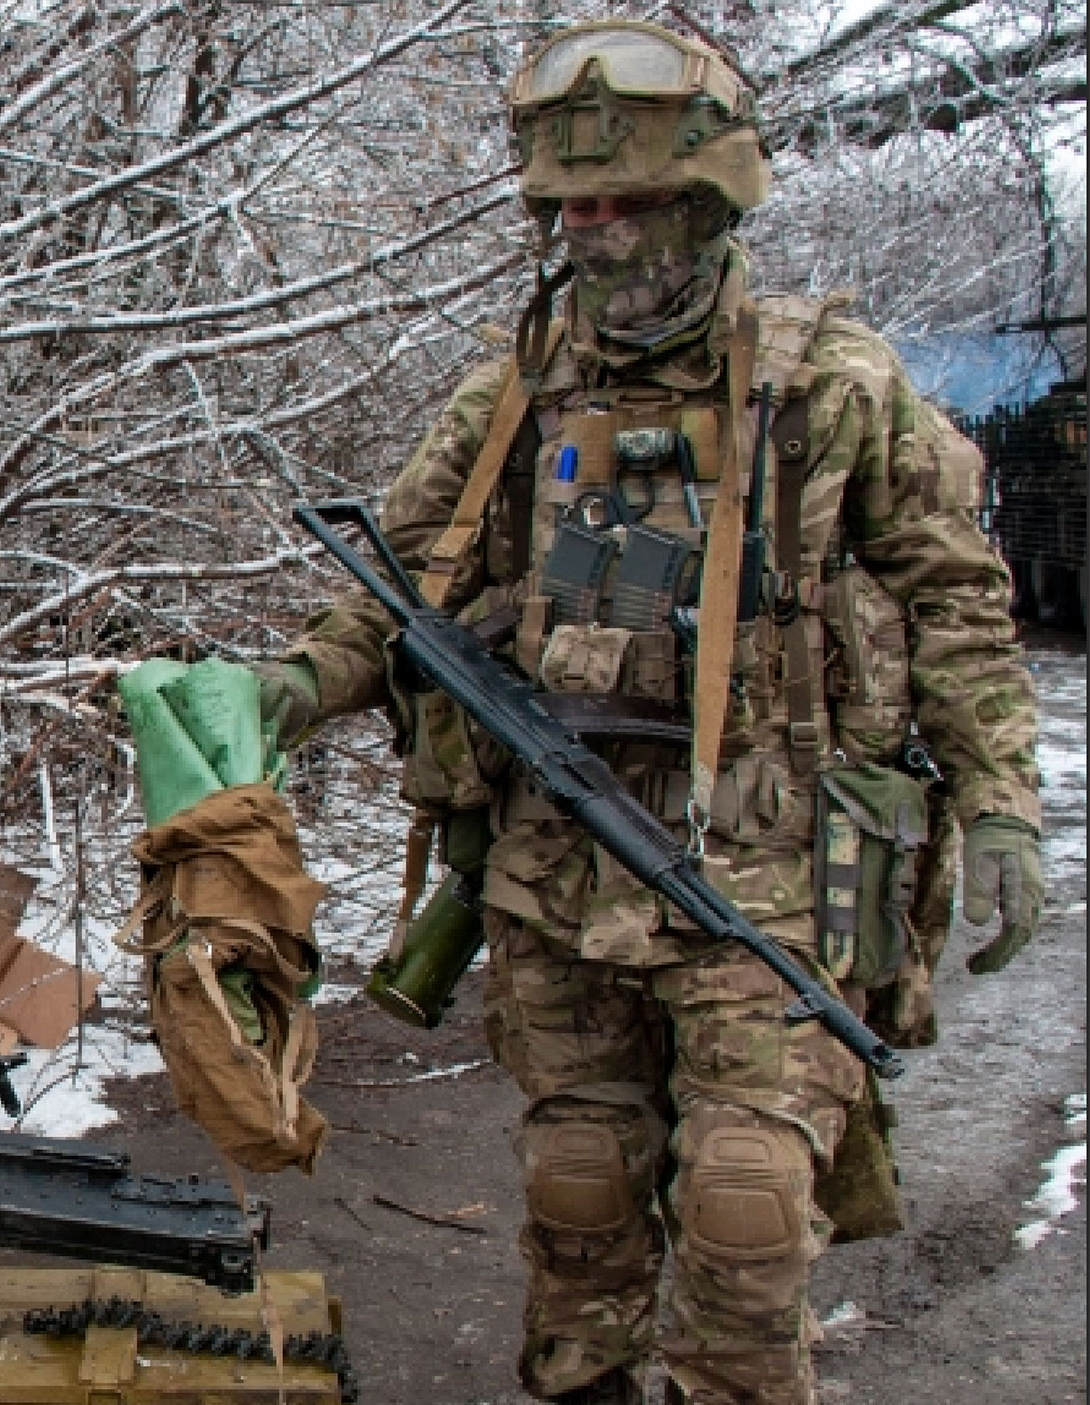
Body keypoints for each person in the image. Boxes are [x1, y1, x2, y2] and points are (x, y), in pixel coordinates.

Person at [248, 22, 1045, 1404]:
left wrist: (1000, 803)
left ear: (709, 199)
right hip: (560, 872)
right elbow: (403, 583)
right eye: (568, 209)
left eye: (625, 204)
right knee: (578, 1193)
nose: (594, 234)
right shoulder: (514, 392)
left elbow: (961, 601)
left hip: (766, 869)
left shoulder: (829, 388)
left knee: (743, 1200)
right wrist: (296, 688)